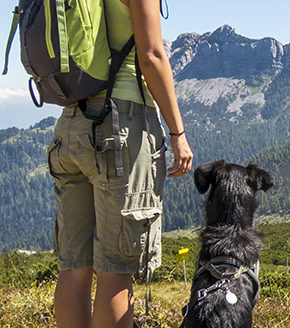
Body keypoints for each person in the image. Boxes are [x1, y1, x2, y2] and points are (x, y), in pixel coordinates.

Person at [49, 0, 193, 327]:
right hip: (121, 128)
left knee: (74, 266)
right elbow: (151, 55)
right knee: (117, 267)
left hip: (70, 126)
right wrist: (177, 132)